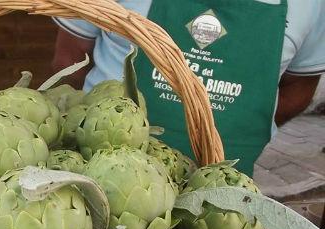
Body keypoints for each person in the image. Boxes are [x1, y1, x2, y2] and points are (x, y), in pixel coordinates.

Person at [52, 0, 325, 175]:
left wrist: (236, 129)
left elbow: (298, 89)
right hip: (96, 181)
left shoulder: (312, 6)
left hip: (226, 201)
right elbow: (70, 59)